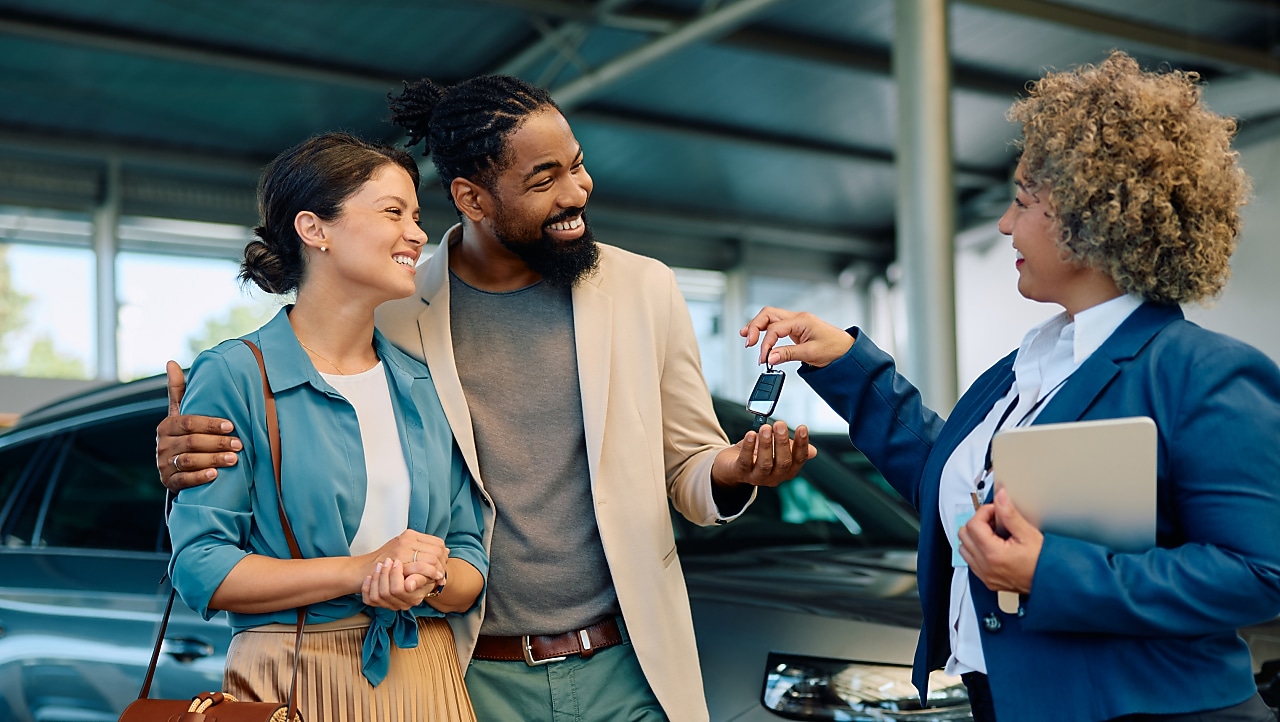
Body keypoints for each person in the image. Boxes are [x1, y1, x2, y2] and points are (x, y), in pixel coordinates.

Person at [158, 75, 814, 722]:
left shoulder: (643, 290)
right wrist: (181, 447)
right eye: (543, 179)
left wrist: (731, 471)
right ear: (473, 198)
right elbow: (300, 391)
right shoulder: (396, 310)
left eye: (577, 167)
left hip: (628, 665)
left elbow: (687, 467)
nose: (577, 192)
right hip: (466, 675)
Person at [742, 51, 1280, 722]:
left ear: (1091, 222)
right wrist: (845, 363)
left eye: (1023, 203)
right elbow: (959, 493)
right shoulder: (1030, 363)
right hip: (1006, 702)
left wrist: (1047, 574)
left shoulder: (1203, 373)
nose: (1004, 224)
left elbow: (1263, 574)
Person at [167, 132, 488, 721]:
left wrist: (427, 578)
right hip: (290, 680)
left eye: (417, 215)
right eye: (393, 212)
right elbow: (201, 567)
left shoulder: (422, 384)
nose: (417, 234)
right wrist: (361, 571)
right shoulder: (236, 375)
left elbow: (469, 557)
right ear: (315, 229)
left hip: (428, 679)